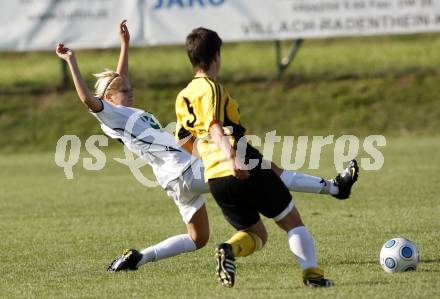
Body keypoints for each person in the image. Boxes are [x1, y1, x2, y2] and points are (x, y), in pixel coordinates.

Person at [55, 21, 358, 276]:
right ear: (108, 96)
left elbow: (120, 81)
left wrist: (124, 44)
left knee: (198, 238)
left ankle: (138, 258)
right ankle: (334, 187)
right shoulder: (108, 112)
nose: (131, 90)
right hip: (188, 167)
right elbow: (87, 99)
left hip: (173, 180)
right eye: (124, 90)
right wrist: (72, 61)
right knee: (269, 170)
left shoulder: (122, 111)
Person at [175, 27, 359, 288]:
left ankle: (229, 248)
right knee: (292, 221)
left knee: (256, 233)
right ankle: (313, 276)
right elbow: (215, 126)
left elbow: (182, 138)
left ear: (191, 57)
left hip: (215, 177)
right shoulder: (211, 88)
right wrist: (231, 157)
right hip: (239, 160)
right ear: (216, 56)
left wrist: (210, 157)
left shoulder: (183, 96)